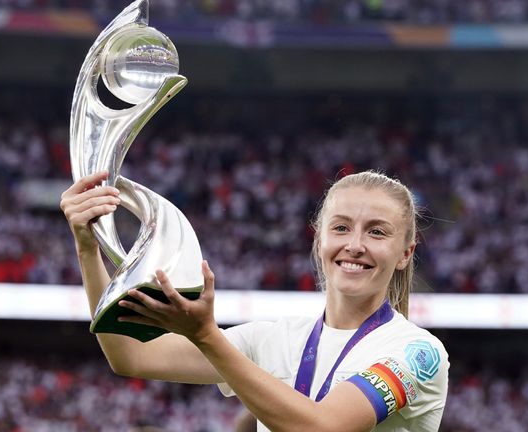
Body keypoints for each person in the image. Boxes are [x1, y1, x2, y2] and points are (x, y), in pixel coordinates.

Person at [60, 169, 449, 432]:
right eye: (341, 227)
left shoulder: (417, 352)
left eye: (377, 232)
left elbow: (324, 427)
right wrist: (87, 247)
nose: (355, 245)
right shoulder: (272, 339)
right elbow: (130, 356)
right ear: (319, 239)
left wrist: (207, 336)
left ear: (405, 253)